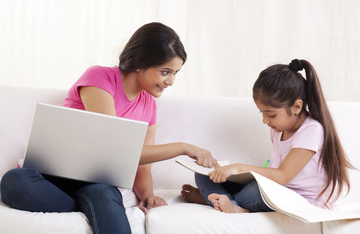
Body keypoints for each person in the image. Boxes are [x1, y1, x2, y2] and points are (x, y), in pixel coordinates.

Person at [1, 22, 218, 234]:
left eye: (175, 73)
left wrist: (147, 195)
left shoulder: (149, 105)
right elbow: (112, 147)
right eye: (165, 72)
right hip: (51, 176)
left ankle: (91, 206)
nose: (171, 81)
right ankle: (88, 208)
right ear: (142, 63)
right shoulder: (100, 77)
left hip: (97, 183)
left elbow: (143, 167)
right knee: (14, 181)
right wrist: (183, 147)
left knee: (104, 193)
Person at [181, 59, 352, 213]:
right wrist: (234, 174)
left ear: (297, 107)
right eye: (262, 113)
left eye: (271, 115)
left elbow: (284, 175)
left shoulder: (311, 130)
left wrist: (239, 167)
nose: (265, 121)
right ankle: (224, 201)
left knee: (254, 191)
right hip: (276, 188)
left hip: (299, 199)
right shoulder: (278, 129)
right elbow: (274, 174)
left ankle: (220, 201)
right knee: (206, 173)